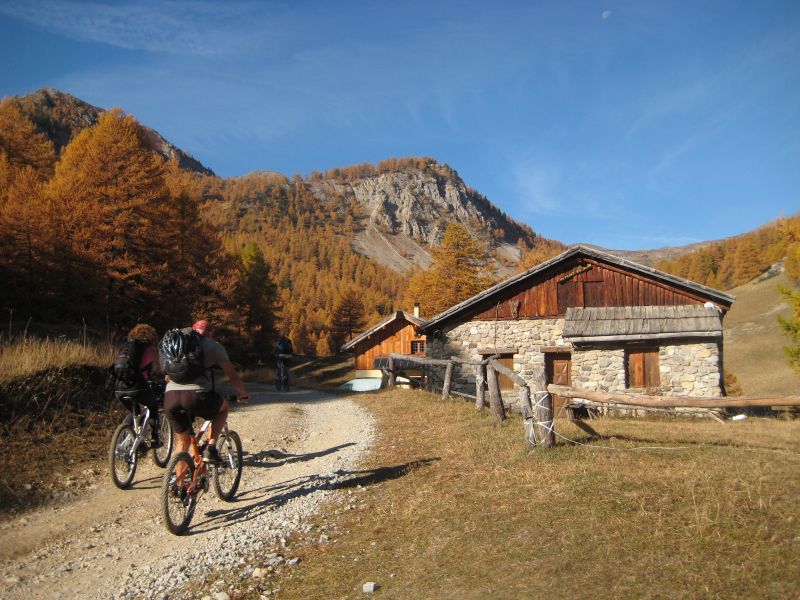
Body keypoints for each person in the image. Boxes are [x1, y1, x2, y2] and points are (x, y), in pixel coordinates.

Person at [163, 319, 249, 464]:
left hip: (170, 397)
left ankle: (177, 485)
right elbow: (232, 376)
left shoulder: (175, 344)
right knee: (223, 408)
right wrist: (243, 393)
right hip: (197, 396)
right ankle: (211, 447)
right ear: (210, 333)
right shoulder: (214, 346)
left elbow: (167, 376)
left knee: (183, 444)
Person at [113, 323, 162, 447]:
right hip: (137, 386)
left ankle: (134, 441)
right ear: (152, 337)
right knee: (153, 405)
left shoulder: (125, 348)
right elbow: (161, 369)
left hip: (119, 388)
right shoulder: (150, 350)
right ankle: (155, 438)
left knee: (135, 412)